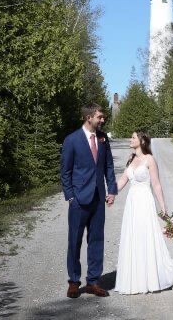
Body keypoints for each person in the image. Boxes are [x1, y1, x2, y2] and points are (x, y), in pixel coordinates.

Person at [114, 130, 173, 294]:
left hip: (144, 202)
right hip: (132, 203)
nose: (130, 139)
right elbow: (123, 181)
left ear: (142, 140)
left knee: (146, 238)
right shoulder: (131, 159)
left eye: (133, 137)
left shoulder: (150, 159)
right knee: (134, 238)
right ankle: (139, 280)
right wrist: (109, 194)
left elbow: (156, 184)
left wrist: (163, 207)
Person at [60, 103, 118, 299]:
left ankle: (93, 282)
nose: (103, 120)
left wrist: (112, 189)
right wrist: (70, 196)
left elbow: (109, 166)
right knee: (74, 242)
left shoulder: (102, 139)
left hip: (98, 198)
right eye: (100, 117)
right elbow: (65, 172)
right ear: (89, 118)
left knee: (96, 240)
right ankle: (74, 282)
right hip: (78, 201)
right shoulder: (72, 140)